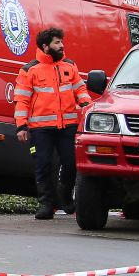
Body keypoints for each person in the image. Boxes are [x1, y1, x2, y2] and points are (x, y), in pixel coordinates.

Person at [14, 27, 92, 218]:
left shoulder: (69, 66)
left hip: (68, 126)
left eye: (61, 42)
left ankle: (65, 196)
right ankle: (46, 205)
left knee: (71, 164)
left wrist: (89, 108)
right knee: (43, 165)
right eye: (57, 42)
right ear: (45, 46)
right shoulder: (29, 70)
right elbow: (21, 100)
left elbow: (80, 91)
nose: (62, 45)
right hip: (41, 129)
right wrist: (21, 126)